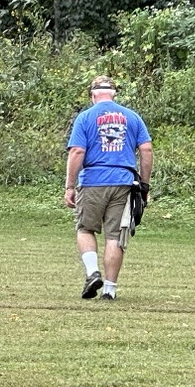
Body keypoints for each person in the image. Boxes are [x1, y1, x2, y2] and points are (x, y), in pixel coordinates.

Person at [63, 75, 151, 300]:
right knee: (115, 236)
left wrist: (70, 186)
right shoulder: (132, 117)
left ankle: (92, 272)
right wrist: (144, 184)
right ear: (113, 94)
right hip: (124, 182)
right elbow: (146, 150)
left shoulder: (85, 118)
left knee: (85, 229)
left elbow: (77, 152)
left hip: (93, 180)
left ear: (93, 95)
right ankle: (110, 290)